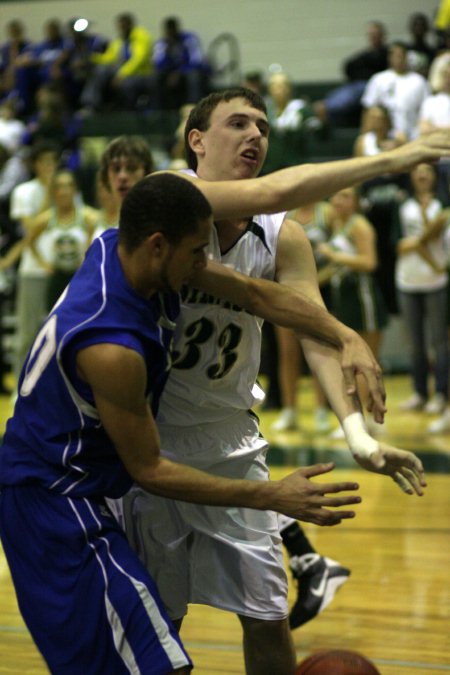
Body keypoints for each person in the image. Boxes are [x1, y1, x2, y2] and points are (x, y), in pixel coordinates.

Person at [0, 171, 377, 674]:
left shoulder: (119, 249)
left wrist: (344, 335)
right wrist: (273, 497)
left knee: (156, 661)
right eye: (197, 252)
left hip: (77, 490)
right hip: (53, 502)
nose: (204, 265)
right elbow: (150, 470)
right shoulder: (112, 347)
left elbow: (253, 293)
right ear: (159, 246)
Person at [121, 87, 441, 674]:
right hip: (153, 442)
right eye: (238, 123)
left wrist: (359, 436)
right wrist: (397, 158)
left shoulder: (282, 236)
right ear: (197, 141)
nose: (255, 136)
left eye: (263, 127)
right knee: (158, 620)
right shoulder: (170, 198)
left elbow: (313, 333)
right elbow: (274, 198)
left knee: (267, 611)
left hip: (232, 438)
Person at [316, 186, 388, 437]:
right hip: (344, 298)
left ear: (356, 202)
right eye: (335, 195)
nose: (337, 200)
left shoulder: (359, 225)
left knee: (365, 364)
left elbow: (370, 262)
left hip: (363, 299)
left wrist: (335, 255)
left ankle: (366, 420)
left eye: (345, 196)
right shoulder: (337, 224)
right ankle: (359, 420)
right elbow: (336, 268)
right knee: (348, 363)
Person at [272, 199, 336, 433]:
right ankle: (290, 410)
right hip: (289, 291)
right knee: (288, 352)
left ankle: (321, 410)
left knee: (320, 350)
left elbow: (338, 250)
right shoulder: (288, 213)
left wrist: (314, 281)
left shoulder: (326, 212)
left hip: (322, 289)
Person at [394, 163, 449, 418]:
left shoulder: (443, 205)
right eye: (417, 171)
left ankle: (440, 393)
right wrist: (423, 237)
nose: (422, 175)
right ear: (412, 177)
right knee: (416, 343)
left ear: (434, 176)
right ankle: (419, 392)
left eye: (427, 171)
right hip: (407, 280)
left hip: (436, 280)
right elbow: (397, 244)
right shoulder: (403, 205)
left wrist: (418, 240)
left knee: (440, 341)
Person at [9, 139, 59, 382]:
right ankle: (20, 383)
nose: (51, 167)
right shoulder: (24, 191)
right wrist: (49, 192)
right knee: (27, 332)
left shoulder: (66, 191)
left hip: (60, 269)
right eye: (46, 162)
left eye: (54, 162)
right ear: (36, 165)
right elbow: (31, 230)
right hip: (33, 270)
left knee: (58, 332)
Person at [314, 21, 388, 127]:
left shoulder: (386, 54)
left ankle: (326, 107)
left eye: (376, 34)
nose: (373, 37)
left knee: (359, 87)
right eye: (371, 35)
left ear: (382, 35)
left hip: (370, 86)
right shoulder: (366, 54)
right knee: (344, 91)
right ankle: (324, 112)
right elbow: (348, 66)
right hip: (356, 83)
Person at [80, 13, 153, 112]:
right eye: (120, 26)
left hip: (140, 74)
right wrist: (92, 58)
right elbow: (110, 57)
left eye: (124, 25)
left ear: (130, 25)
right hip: (122, 71)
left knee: (125, 84)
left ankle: (127, 111)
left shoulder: (141, 36)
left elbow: (138, 60)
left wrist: (121, 75)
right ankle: (91, 103)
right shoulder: (119, 40)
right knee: (101, 70)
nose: (122, 28)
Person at [361, 41, 430, 141]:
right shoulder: (378, 79)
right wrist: (364, 135)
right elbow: (369, 109)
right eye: (394, 55)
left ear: (407, 57)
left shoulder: (419, 82)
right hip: (383, 138)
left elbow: (426, 111)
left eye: (401, 55)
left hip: (412, 137)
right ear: (389, 58)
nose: (398, 59)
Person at [153, 16, 209, 110]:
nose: (171, 33)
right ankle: (160, 110)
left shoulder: (189, 39)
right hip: (170, 72)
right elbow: (157, 64)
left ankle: (194, 107)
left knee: (194, 76)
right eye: (168, 31)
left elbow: (196, 60)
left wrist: (179, 72)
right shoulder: (162, 43)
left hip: (188, 70)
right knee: (155, 78)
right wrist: (167, 53)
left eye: (173, 30)